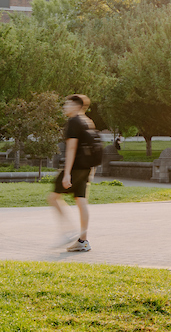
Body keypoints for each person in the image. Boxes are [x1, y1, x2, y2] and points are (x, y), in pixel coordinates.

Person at [46, 94, 97, 253]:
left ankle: (68, 231)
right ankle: (82, 240)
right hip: (86, 168)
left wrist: (67, 173)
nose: (64, 107)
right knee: (81, 201)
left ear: (76, 106)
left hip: (74, 167)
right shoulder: (88, 121)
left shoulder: (74, 121)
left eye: (67, 104)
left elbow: (72, 148)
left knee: (53, 197)